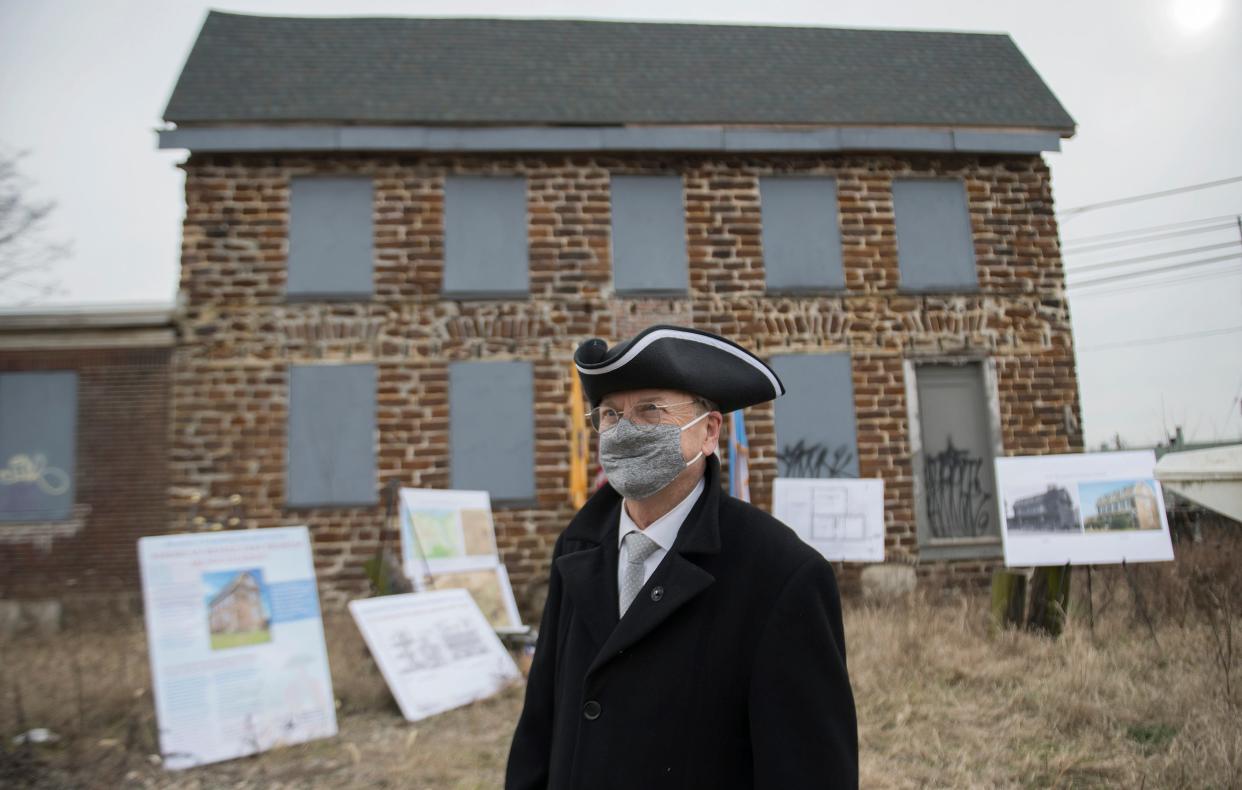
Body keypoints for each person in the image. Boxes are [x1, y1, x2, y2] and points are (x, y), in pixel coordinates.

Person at [506, 324, 858, 789]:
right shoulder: (578, 547)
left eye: (650, 409)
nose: (625, 430)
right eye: (610, 415)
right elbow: (540, 727)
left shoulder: (781, 574)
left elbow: (809, 770)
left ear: (709, 432)